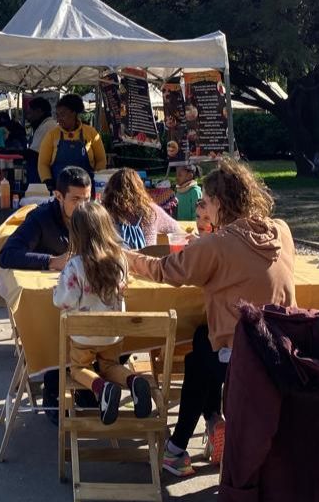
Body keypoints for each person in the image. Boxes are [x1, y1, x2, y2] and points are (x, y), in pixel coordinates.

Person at [124, 158, 296, 477]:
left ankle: (182, 445)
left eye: (204, 201)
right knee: (202, 346)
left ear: (218, 202)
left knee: (202, 353)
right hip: (284, 343)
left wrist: (126, 258)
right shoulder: (281, 231)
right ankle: (211, 423)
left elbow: (164, 271)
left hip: (244, 351)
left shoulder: (217, 245)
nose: (202, 206)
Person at [53, 201, 153, 424]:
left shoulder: (75, 265)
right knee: (110, 366)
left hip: (84, 335)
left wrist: (55, 291)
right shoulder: (120, 259)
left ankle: (102, 388)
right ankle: (133, 381)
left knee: (78, 368)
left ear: (76, 233)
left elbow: (64, 301)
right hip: (113, 333)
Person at [0, 166, 92, 270]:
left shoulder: (93, 218)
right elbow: (6, 255)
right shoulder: (41, 218)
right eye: (75, 199)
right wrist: (52, 261)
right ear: (59, 196)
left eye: (86, 199)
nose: (82, 206)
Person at [37, 94, 107, 191]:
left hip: (86, 190)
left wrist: (96, 178)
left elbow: (101, 160)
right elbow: (43, 163)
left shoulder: (91, 133)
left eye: (63, 114)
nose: (59, 119)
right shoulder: (51, 135)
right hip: (59, 190)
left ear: (73, 113)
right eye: (57, 115)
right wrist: (48, 181)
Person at [101, 168, 180, 249]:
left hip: (112, 259)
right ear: (139, 188)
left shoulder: (104, 211)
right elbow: (175, 228)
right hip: (141, 259)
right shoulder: (149, 211)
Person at [24, 97, 57, 185]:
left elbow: (34, 153)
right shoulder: (48, 124)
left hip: (41, 176)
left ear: (38, 111)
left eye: (30, 113)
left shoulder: (46, 127)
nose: (28, 117)